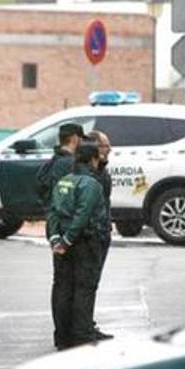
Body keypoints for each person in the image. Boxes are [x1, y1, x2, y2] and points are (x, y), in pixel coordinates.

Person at [46, 143, 111, 349]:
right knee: (84, 289)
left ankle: (62, 337)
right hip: (84, 243)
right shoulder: (91, 184)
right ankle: (82, 337)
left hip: (63, 245)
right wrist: (68, 240)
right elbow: (83, 215)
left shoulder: (63, 182)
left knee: (62, 289)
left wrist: (56, 239)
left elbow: (53, 212)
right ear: (92, 160)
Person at [82, 129, 115, 342]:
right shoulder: (95, 174)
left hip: (102, 230)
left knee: (92, 282)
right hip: (96, 232)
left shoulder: (100, 171)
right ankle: (84, 327)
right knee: (88, 282)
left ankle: (87, 324)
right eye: (104, 145)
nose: (109, 149)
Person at [36, 122, 84, 216]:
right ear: (74, 138)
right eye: (81, 138)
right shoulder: (70, 163)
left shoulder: (51, 163)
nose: (82, 142)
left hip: (54, 217)